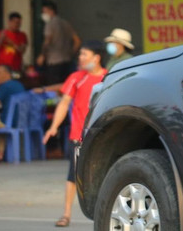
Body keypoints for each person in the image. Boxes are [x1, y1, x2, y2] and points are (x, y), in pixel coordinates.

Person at [42, 42, 107, 227]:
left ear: (96, 58)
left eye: (84, 54)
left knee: (104, 174)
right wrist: (53, 126)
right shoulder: (76, 77)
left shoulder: (108, 77)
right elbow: (64, 103)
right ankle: (66, 214)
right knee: (74, 174)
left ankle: (104, 215)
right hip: (78, 135)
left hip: (103, 135)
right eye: (80, 54)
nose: (80, 58)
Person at [36, 2, 80, 86]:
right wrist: (71, 54)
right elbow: (77, 41)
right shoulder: (65, 23)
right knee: (64, 86)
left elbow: (47, 41)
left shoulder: (50, 24)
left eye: (44, 12)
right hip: (67, 61)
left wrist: (42, 55)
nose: (43, 14)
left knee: (53, 88)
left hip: (54, 62)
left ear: (51, 11)